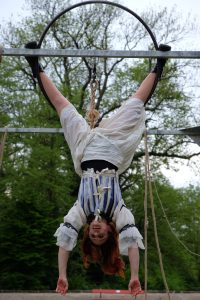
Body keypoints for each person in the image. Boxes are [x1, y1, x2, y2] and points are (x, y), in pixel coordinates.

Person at [25, 42, 170, 296]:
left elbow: (64, 243)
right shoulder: (119, 212)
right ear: (111, 232)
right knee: (135, 105)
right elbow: (133, 244)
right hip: (111, 148)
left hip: (83, 149)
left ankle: (35, 65)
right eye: (101, 236)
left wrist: (62, 276)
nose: (96, 233)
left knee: (62, 106)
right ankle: (159, 65)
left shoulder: (80, 213)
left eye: (93, 237)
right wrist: (134, 277)